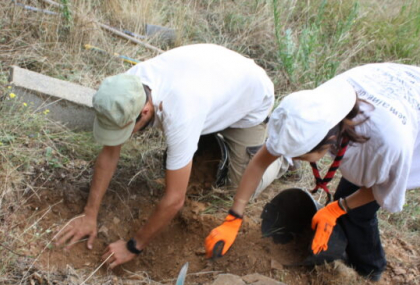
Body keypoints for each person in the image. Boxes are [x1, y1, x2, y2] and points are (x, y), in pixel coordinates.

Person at [205, 63, 420, 285]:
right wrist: (234, 216)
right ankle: (368, 266)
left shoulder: (384, 143)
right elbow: (260, 161)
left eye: (299, 156)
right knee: (351, 207)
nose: (292, 160)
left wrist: (338, 208)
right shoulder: (310, 111)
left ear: (329, 142)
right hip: (407, 109)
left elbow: (383, 188)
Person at [55, 44, 287, 268]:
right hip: (216, 84)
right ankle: (210, 138)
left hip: (249, 101)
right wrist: (89, 214)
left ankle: (284, 155)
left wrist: (134, 246)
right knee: (183, 152)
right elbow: (109, 153)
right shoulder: (125, 89)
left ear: (144, 111)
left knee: (239, 187)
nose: (121, 137)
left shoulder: (181, 112)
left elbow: (175, 200)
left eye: (125, 130)